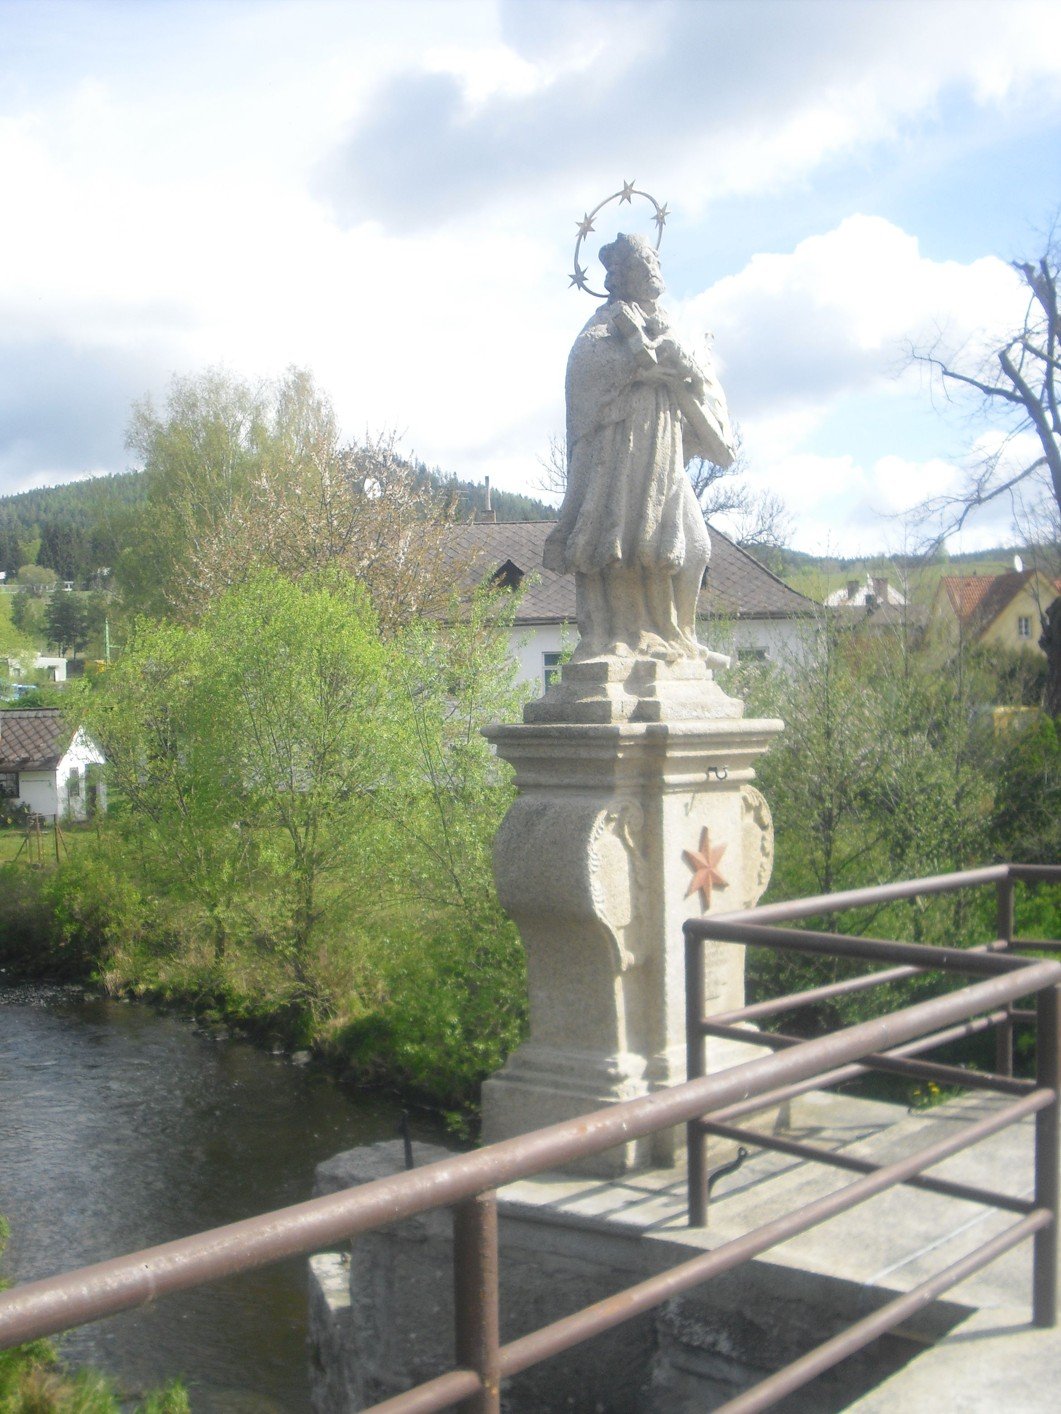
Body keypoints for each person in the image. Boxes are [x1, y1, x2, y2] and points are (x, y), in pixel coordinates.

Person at [544, 233, 735, 661]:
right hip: (623, 448)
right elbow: (585, 368)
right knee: (624, 543)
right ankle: (629, 634)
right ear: (620, 276)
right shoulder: (607, 323)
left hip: (665, 449)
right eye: (641, 263)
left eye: (655, 261)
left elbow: (695, 383)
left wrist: (682, 365)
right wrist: (637, 359)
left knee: (695, 548)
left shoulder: (666, 323)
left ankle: (680, 634)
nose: (652, 269)